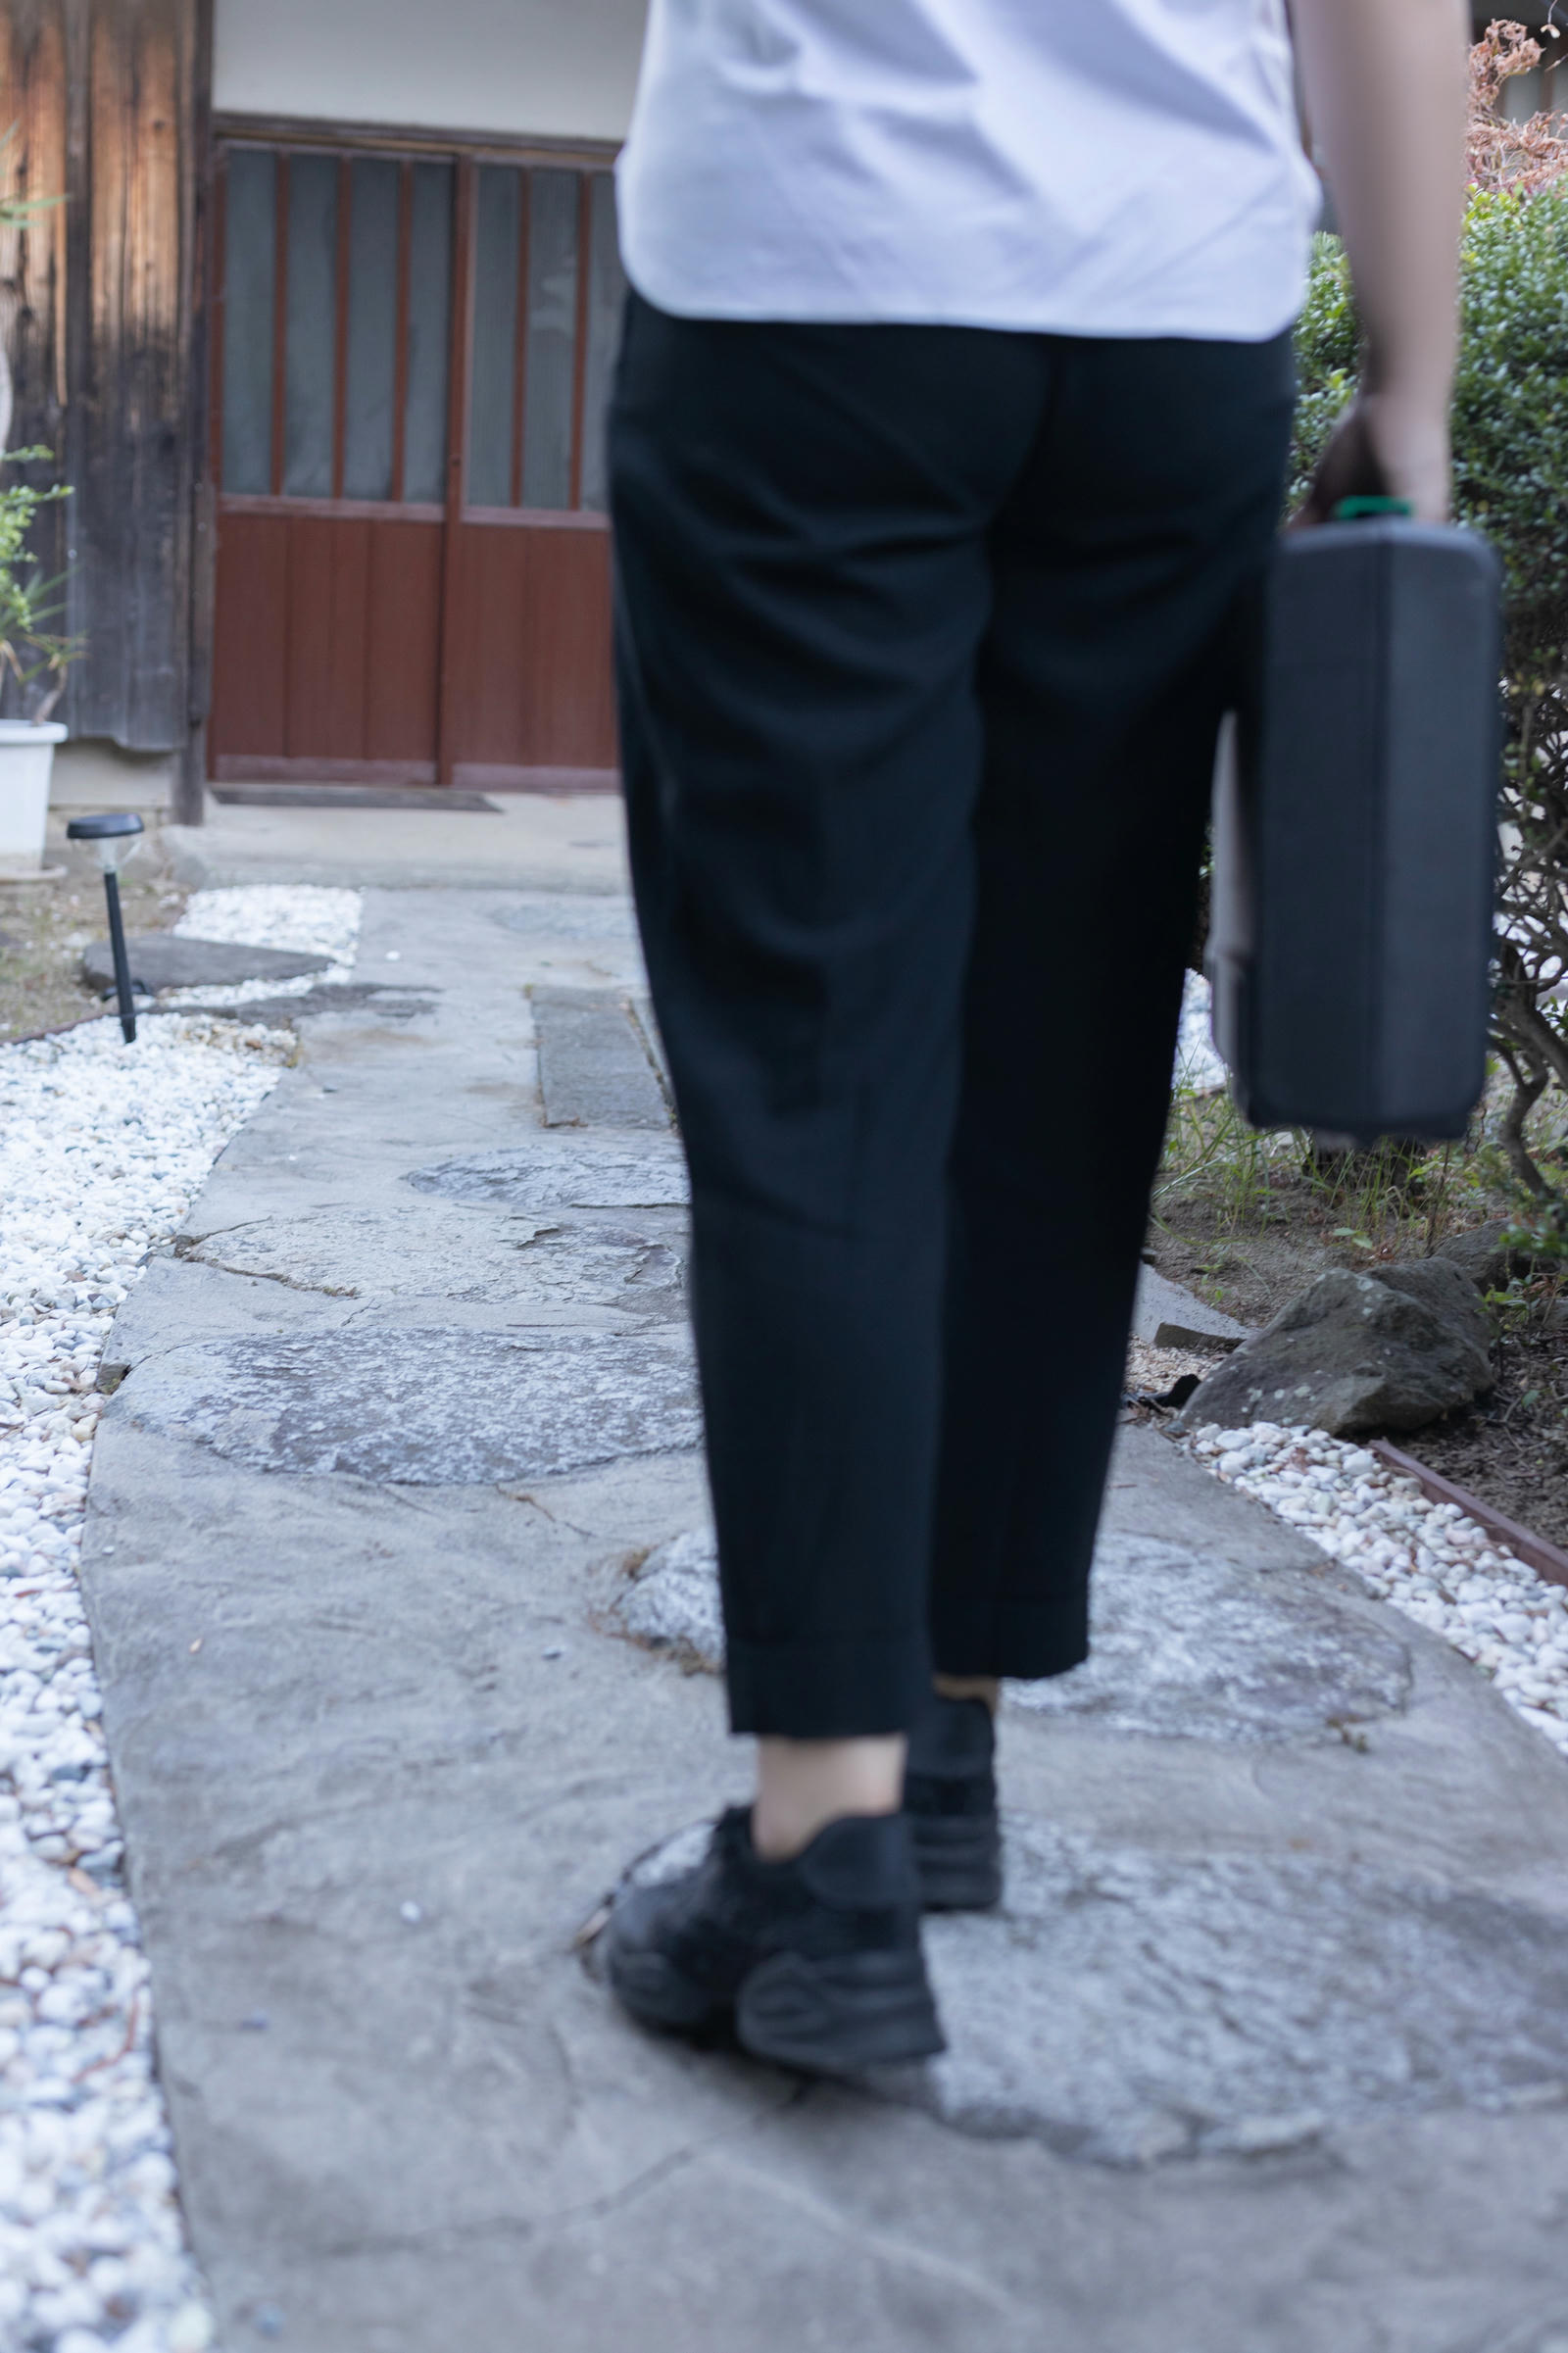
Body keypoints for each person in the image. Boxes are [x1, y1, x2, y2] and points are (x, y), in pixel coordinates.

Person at [603, 0, 1467, 2073]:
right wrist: (1408, 377)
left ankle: (822, 1854)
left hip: (806, 268)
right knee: (1058, 1044)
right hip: (1167, 311)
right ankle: (943, 1744)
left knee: (817, 1051)